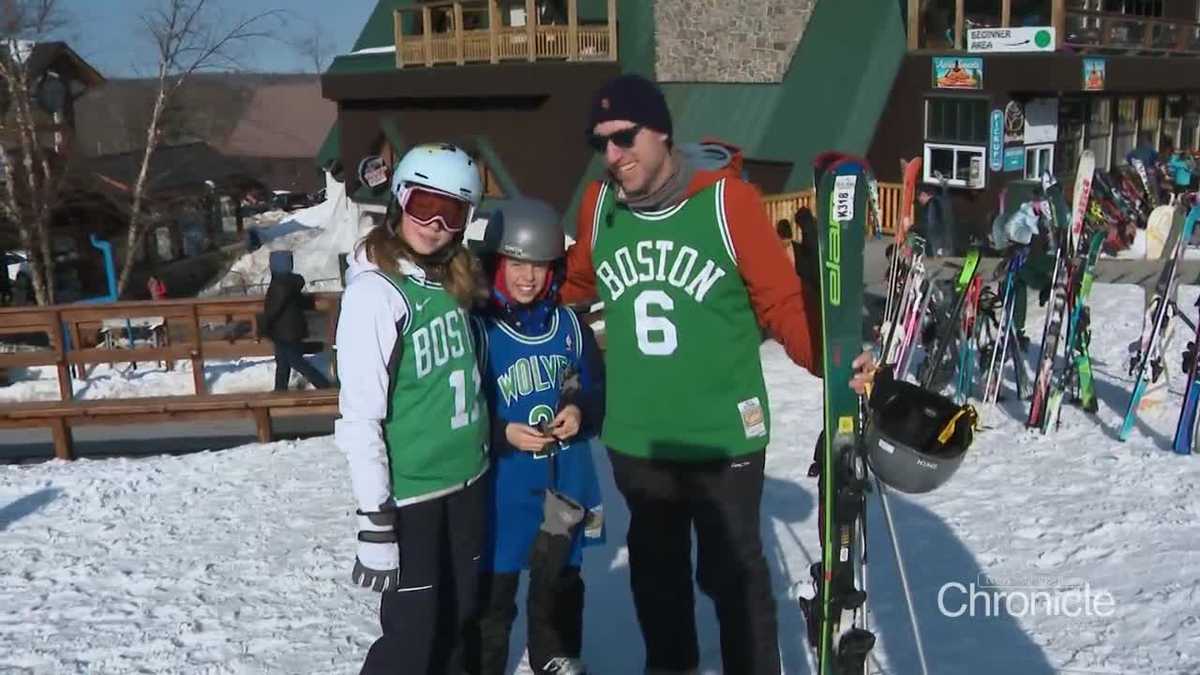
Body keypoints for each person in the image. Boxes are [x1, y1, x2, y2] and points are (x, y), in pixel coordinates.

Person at [561, 73, 875, 675]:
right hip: (638, 437)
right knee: (657, 579)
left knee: (735, 577)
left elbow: (780, 303)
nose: (613, 155)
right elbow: (575, 282)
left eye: (624, 138)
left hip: (722, 435)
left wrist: (832, 360)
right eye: (600, 142)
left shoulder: (728, 203)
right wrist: (506, 289)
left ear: (661, 133)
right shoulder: (600, 205)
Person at [334, 142, 490, 675]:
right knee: (413, 636)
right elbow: (360, 418)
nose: (436, 224)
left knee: (461, 618)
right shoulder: (376, 294)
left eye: (452, 212)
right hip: (415, 497)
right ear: (400, 199)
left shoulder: (453, 281)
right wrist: (375, 520)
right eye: (425, 205)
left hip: (467, 484)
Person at [466, 198, 605, 675]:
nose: (528, 277)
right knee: (494, 596)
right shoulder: (477, 328)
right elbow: (457, 408)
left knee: (560, 584)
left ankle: (557, 658)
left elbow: (594, 387)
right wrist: (501, 431)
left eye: (540, 266)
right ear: (496, 264)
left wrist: (578, 409)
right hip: (501, 488)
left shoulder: (569, 326)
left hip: (562, 482)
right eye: (517, 264)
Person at [262, 250, 331, 391]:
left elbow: (273, 309)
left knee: (296, 361)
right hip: (291, 328)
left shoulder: (279, 285)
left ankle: (324, 385)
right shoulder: (290, 283)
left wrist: (264, 325)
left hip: (283, 330)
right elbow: (299, 302)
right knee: (283, 362)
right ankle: (280, 390)